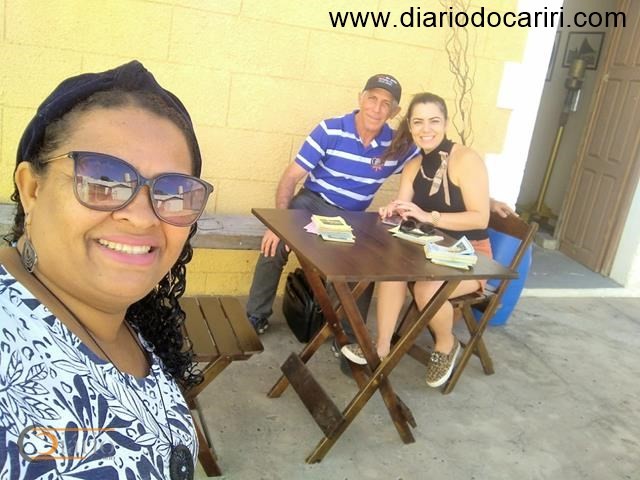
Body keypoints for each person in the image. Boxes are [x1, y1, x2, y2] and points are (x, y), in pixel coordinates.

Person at [0, 61, 213, 479]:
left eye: (172, 191)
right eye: (102, 179)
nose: (142, 217)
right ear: (32, 189)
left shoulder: (121, 315)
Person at [340, 92, 494, 389]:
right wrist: (394, 210)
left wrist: (428, 216)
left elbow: (480, 219)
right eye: (418, 122)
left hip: (471, 257)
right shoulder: (413, 166)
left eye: (434, 121)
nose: (426, 129)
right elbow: (404, 210)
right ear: (410, 126)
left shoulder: (466, 159)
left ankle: (446, 345)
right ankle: (381, 348)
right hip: (430, 250)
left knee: (426, 290)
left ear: (445, 123)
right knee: (391, 269)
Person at [245, 74, 412, 337]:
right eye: (372, 98)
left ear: (394, 112)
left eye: (386, 103)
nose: (377, 108)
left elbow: (425, 161)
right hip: (312, 204)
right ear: (361, 98)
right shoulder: (330, 130)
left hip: (353, 218)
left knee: (365, 265)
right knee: (274, 243)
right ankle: (256, 315)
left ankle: (348, 336)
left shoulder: (397, 144)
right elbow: (290, 177)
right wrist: (279, 222)